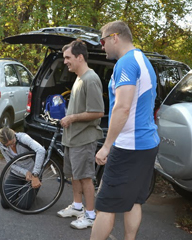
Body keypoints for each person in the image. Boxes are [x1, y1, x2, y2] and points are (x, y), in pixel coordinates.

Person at [91, 21, 160, 240]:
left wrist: (106, 146)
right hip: (147, 143)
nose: (102, 46)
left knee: (105, 205)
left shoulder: (126, 63)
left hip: (129, 145)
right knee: (134, 201)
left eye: (103, 41)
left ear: (115, 37)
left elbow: (123, 107)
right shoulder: (143, 60)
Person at [56, 40, 104, 230]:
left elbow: (98, 112)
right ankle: (77, 206)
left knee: (85, 177)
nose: (65, 61)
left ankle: (91, 215)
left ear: (80, 57)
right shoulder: (79, 77)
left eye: (68, 57)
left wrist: (73, 118)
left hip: (84, 138)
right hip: (73, 138)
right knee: (75, 174)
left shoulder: (91, 79)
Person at [0, 127, 44, 209]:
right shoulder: (1, 145)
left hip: (33, 175)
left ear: (14, 135)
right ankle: (21, 189)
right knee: (5, 203)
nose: (12, 145)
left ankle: (29, 190)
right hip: (16, 174)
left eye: (13, 142)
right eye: (8, 145)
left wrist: (35, 174)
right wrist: (25, 172)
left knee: (23, 206)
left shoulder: (23, 138)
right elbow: (10, 164)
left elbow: (41, 150)